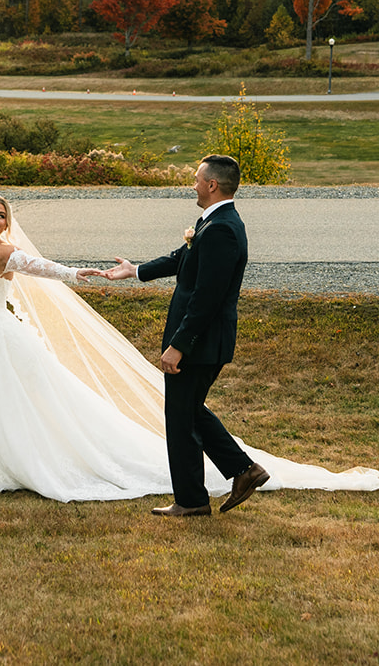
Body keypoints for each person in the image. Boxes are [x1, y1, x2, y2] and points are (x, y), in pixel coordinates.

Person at [0, 190, 379, 508]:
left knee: (177, 414)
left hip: (1, 337)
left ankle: (212, 484)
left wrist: (84, 274)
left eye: (1, 215)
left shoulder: (7, 253)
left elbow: (43, 268)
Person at [100, 154, 263, 517]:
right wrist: (135, 270)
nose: (192, 184)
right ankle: (240, 472)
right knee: (186, 413)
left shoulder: (222, 229)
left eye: (196, 178)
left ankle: (199, 496)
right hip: (201, 342)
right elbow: (181, 258)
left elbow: (207, 297)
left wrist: (179, 345)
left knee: (181, 416)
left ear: (212, 185)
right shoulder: (214, 222)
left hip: (200, 344)